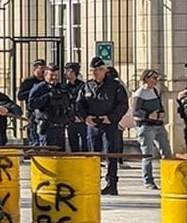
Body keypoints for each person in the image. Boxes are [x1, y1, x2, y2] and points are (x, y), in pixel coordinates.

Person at [76, 56, 128, 195]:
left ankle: (112, 184)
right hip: (93, 125)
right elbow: (79, 104)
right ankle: (94, 183)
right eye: (92, 70)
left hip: (109, 125)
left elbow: (123, 104)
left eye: (98, 70)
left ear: (104, 70)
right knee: (94, 156)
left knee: (111, 155)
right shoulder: (87, 86)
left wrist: (111, 118)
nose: (95, 73)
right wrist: (86, 117)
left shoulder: (115, 86)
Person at [132, 69, 173, 189]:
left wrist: (161, 113)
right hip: (146, 126)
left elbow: (159, 106)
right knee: (148, 154)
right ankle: (148, 180)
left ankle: (168, 178)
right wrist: (148, 115)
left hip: (158, 125)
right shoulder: (140, 93)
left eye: (157, 78)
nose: (156, 80)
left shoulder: (155, 90)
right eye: (154, 78)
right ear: (146, 79)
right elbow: (135, 111)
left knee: (166, 152)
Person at [28, 63, 72, 151]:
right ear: (45, 75)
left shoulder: (62, 88)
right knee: (47, 154)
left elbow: (69, 104)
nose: (54, 78)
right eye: (51, 75)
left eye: (56, 75)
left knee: (60, 155)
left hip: (60, 127)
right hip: (47, 127)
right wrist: (47, 96)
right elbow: (31, 104)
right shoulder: (39, 88)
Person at [17, 59, 46, 146]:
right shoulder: (28, 81)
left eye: (43, 68)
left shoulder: (46, 81)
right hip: (32, 111)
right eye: (40, 69)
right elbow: (20, 96)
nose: (42, 71)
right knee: (33, 132)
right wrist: (33, 91)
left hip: (44, 111)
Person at [63, 62, 88, 152]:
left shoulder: (83, 86)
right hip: (70, 120)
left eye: (67, 70)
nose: (65, 73)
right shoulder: (64, 87)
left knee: (84, 144)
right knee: (73, 144)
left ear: (73, 72)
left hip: (82, 119)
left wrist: (81, 116)